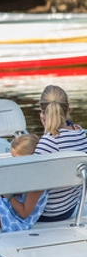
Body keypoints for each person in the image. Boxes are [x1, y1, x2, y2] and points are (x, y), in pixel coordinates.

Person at [35, 85, 87, 222]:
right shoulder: (82, 134)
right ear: (68, 108)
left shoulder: (47, 142)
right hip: (68, 209)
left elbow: (31, 182)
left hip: (45, 212)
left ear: (42, 113)